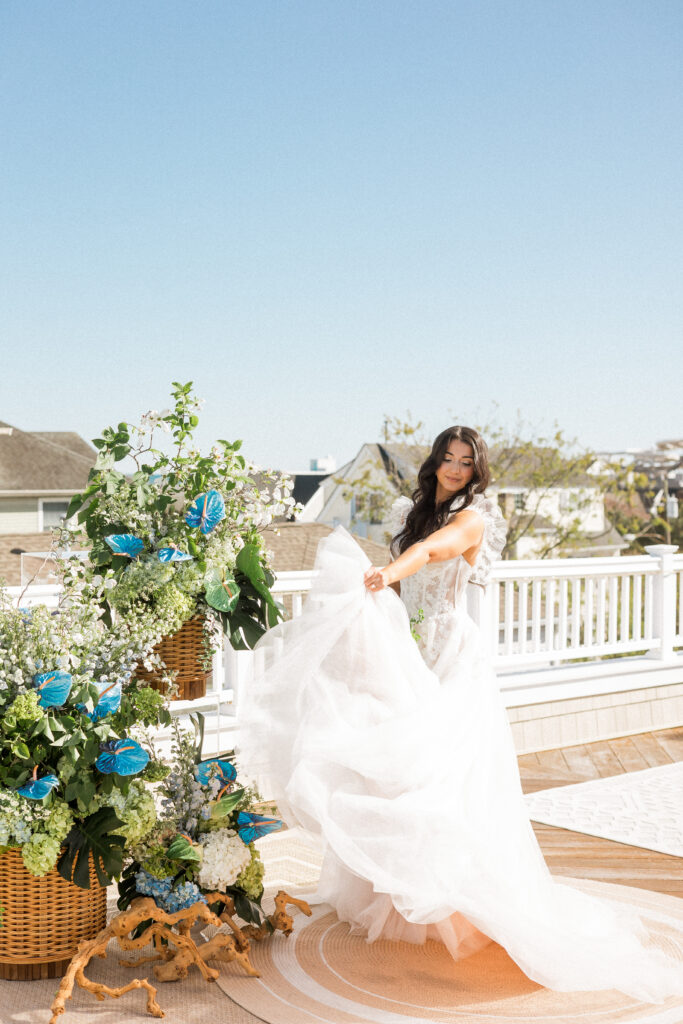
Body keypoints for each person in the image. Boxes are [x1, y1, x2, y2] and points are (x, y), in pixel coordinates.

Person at [238, 426, 683, 1002]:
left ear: (477, 469)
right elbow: (415, 548)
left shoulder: (474, 517)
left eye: (465, 461)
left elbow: (433, 553)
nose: (453, 467)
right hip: (409, 651)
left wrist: (386, 574)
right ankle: (409, 898)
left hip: (449, 654)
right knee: (391, 765)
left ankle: (469, 900)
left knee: (442, 780)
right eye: (446, 458)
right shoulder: (416, 509)